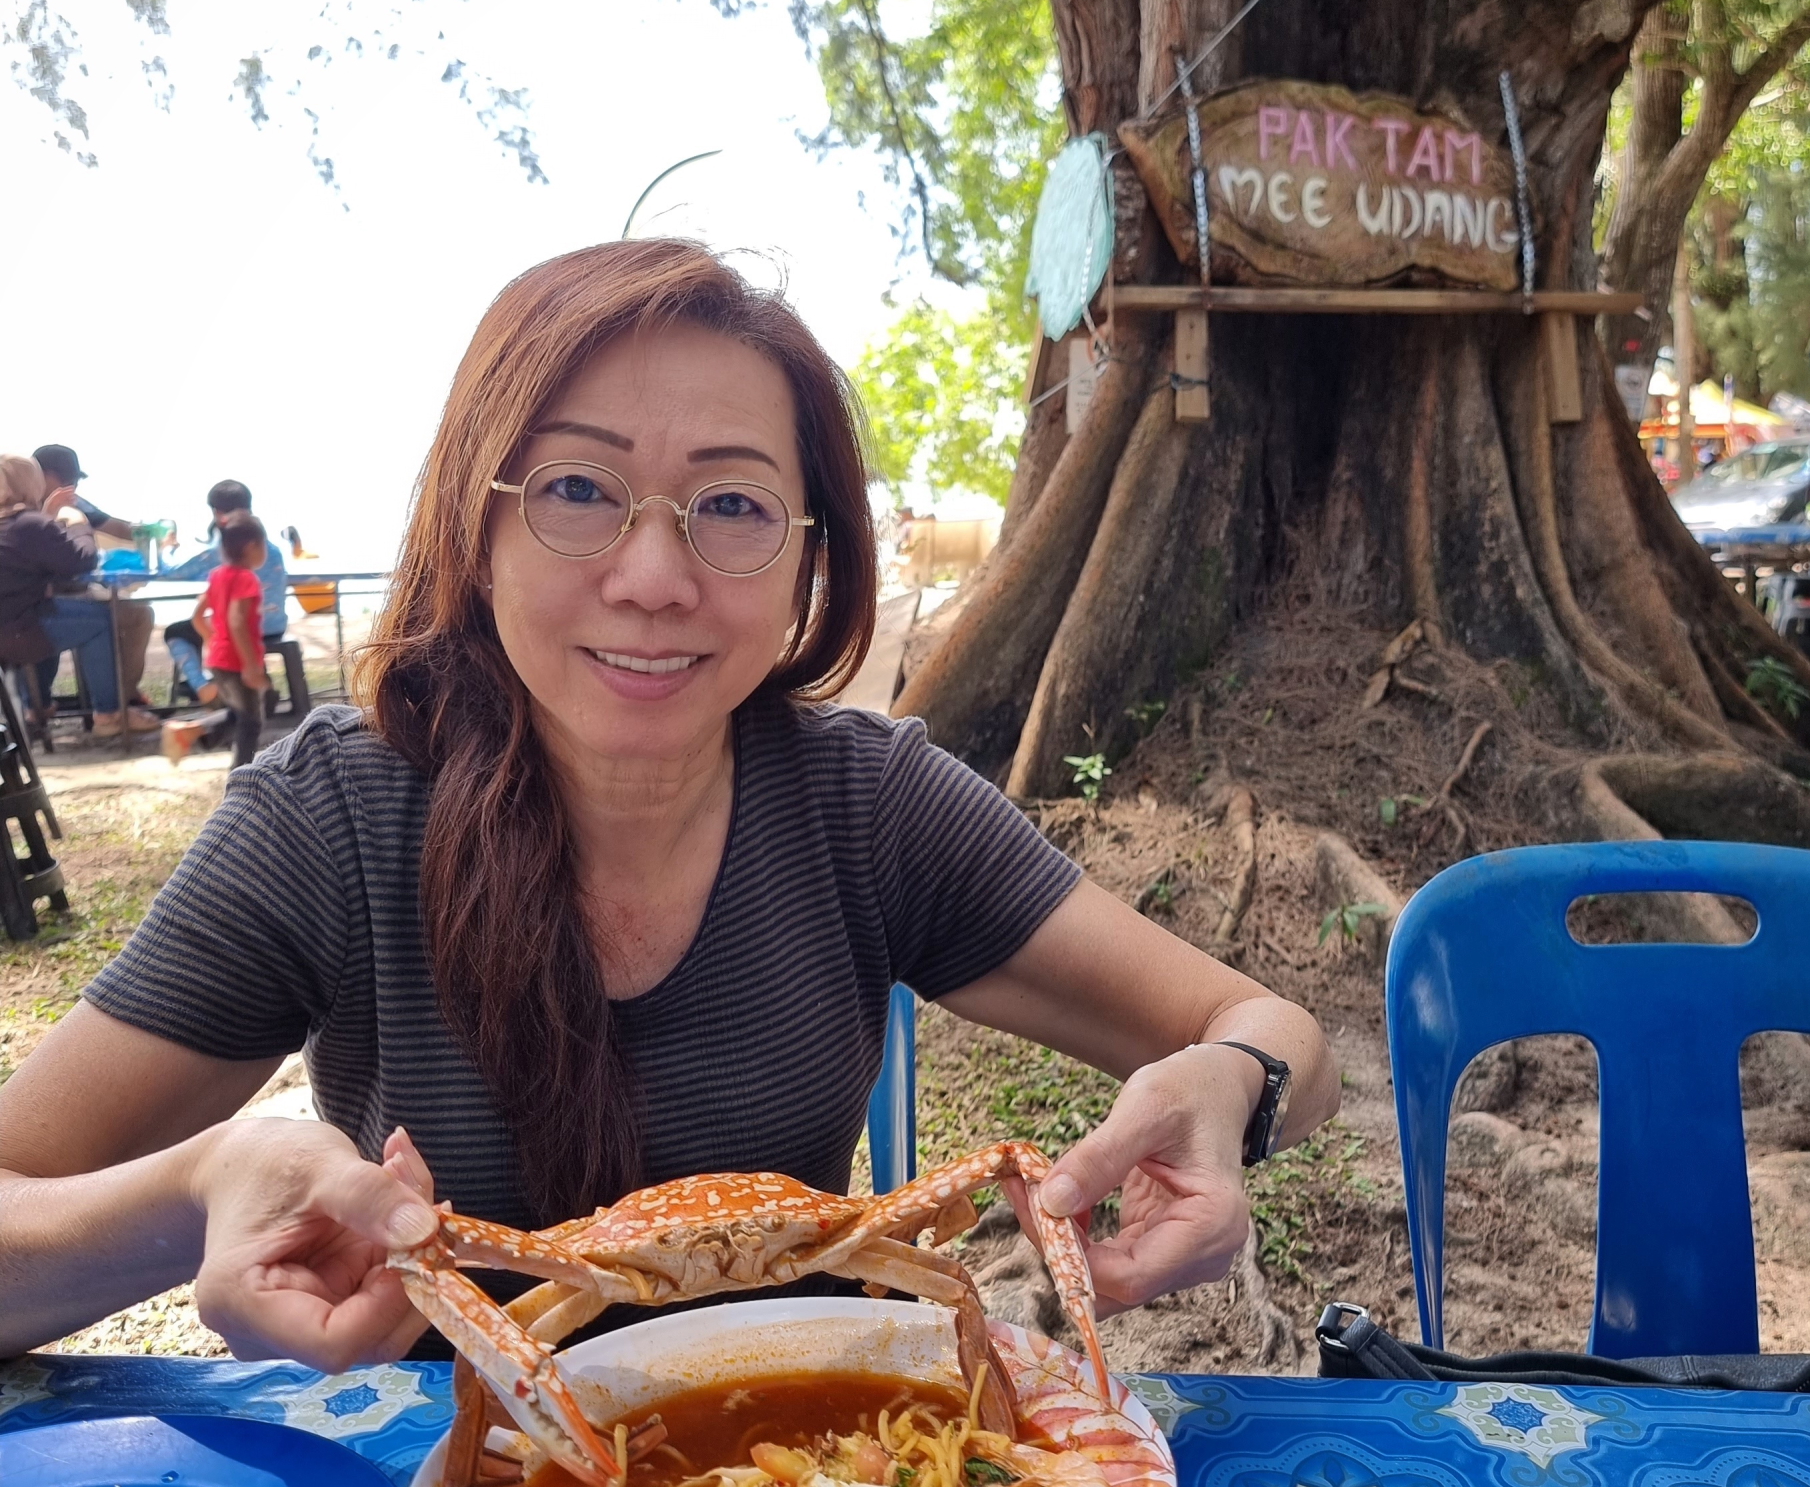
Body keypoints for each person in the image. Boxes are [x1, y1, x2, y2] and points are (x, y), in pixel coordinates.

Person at [0, 241, 1334, 1367]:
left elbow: (1275, 1032)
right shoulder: (335, 820)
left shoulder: (869, 805)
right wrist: (193, 1190)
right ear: (479, 520)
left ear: (811, 554)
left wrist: (1233, 1081)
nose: (654, 572)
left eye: (733, 504)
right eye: (578, 488)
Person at [0, 455, 162, 743]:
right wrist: (77, 523)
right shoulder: (28, 524)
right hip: (20, 631)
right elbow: (82, 560)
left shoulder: (18, 523)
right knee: (99, 620)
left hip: (13, 624)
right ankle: (109, 713)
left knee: (54, 617)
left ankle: (35, 708)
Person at [158, 479, 293, 702]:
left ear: (216, 512)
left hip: (246, 625)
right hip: (275, 624)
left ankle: (202, 686)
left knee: (176, 632)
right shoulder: (269, 547)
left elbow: (173, 572)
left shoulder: (222, 550)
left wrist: (166, 550)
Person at [190, 515, 272, 769]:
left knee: (244, 712)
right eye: (264, 545)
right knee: (251, 723)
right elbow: (237, 621)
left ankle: (194, 732)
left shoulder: (217, 575)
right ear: (251, 546)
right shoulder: (247, 579)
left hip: (219, 659)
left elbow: (197, 616)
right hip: (237, 662)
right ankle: (241, 775)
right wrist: (250, 665)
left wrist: (211, 639)